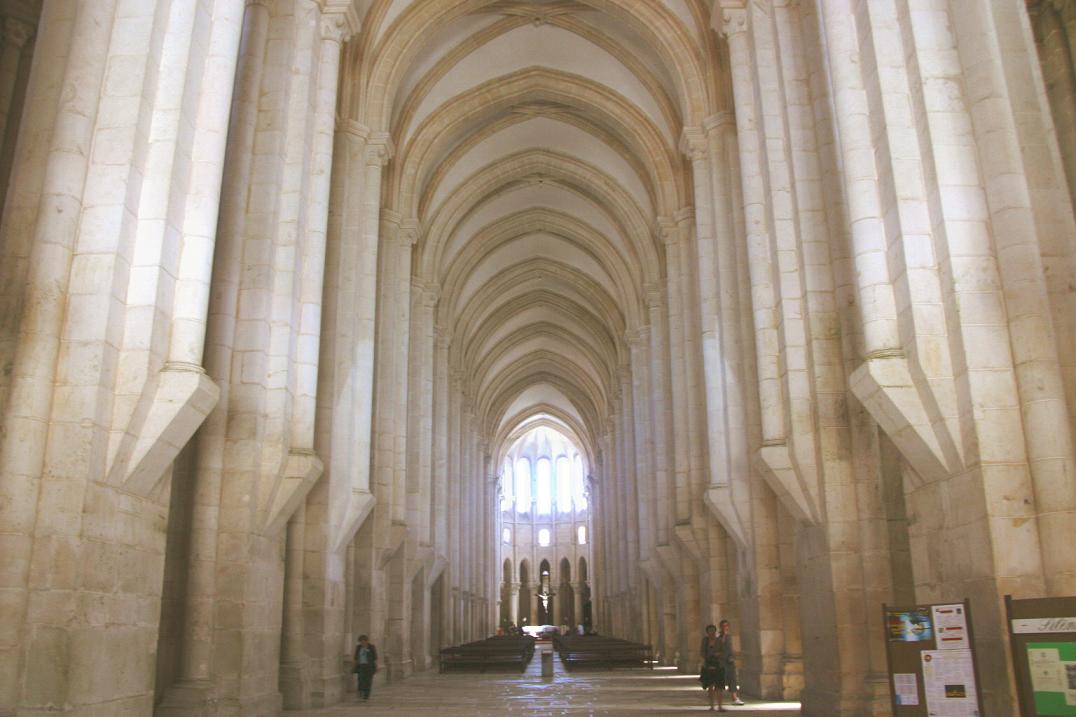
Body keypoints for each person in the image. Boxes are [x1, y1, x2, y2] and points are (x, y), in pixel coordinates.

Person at [717, 620, 745, 706]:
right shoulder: (719, 638)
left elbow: (731, 649)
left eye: (726, 625)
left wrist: (733, 657)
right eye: (723, 626)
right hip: (722, 662)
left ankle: (734, 697)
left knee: (733, 679)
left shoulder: (729, 637)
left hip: (730, 661)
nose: (725, 627)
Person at [700, 624, 726, 711]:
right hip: (708, 665)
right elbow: (702, 652)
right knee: (710, 686)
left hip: (719, 665)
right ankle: (711, 706)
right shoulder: (705, 641)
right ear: (707, 632)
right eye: (710, 631)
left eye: (713, 631)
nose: (712, 632)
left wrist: (718, 655)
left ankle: (720, 705)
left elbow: (723, 651)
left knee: (719, 686)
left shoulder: (719, 641)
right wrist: (706, 660)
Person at [353, 634, 378, 701]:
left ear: (366, 641)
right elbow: (355, 657)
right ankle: (360, 693)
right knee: (360, 680)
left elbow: (375, 657)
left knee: (368, 681)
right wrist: (354, 666)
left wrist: (376, 666)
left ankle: (366, 696)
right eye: (361, 641)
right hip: (361, 666)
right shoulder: (358, 647)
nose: (362, 643)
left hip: (369, 666)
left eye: (363, 641)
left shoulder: (371, 647)